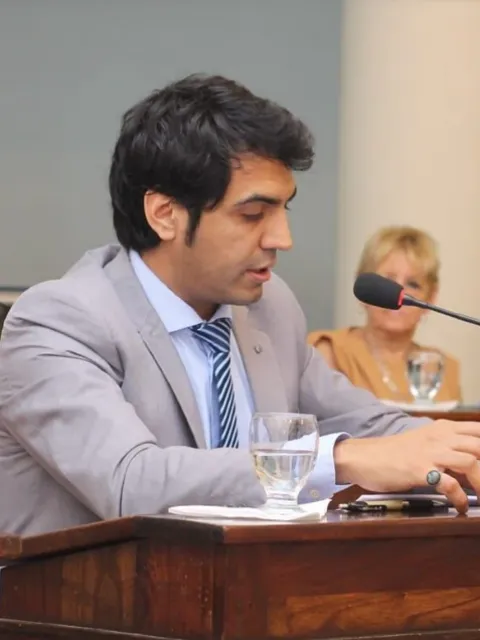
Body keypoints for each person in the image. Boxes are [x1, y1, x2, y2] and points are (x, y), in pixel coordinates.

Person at [0, 74, 479, 536]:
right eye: (253, 214)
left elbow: (374, 428)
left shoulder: (269, 308)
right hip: (85, 589)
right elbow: (130, 481)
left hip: (250, 583)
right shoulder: (57, 323)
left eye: (284, 209)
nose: (282, 239)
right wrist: (337, 460)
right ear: (165, 214)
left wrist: (462, 453)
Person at [308, 226, 461, 403]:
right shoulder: (329, 351)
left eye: (413, 284)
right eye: (388, 282)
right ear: (365, 290)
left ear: (430, 298)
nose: (399, 294)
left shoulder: (443, 367)